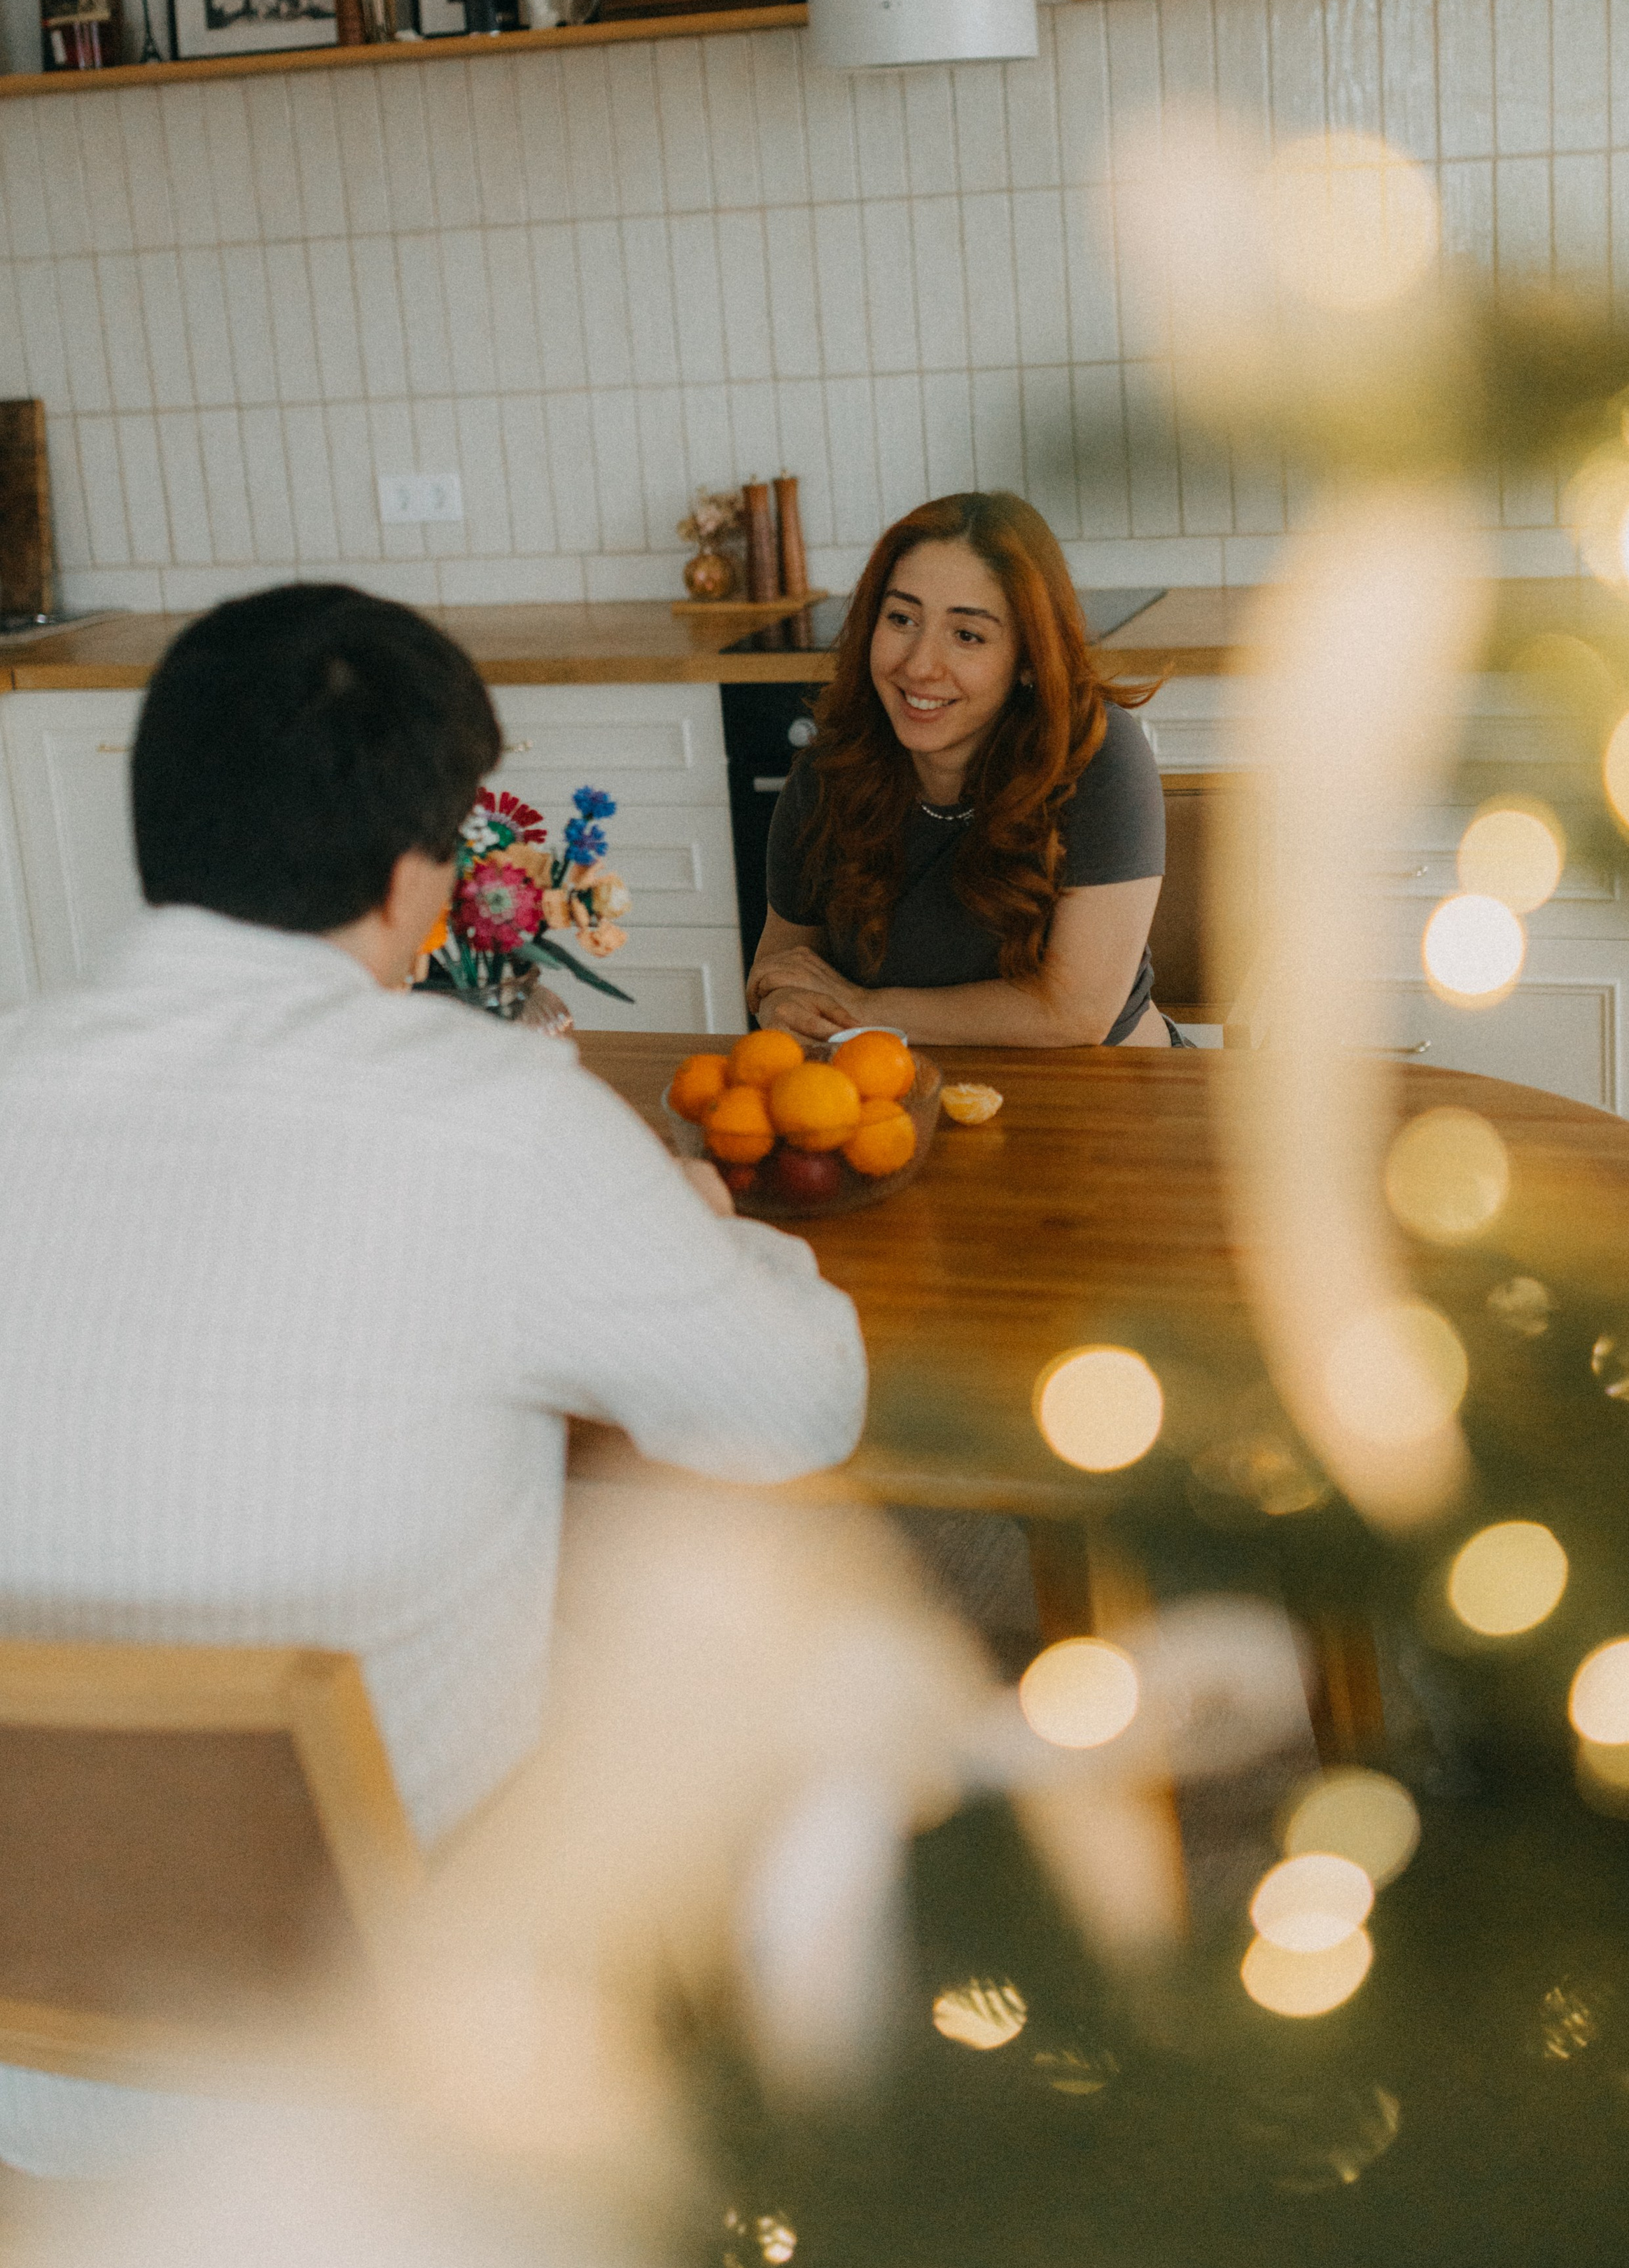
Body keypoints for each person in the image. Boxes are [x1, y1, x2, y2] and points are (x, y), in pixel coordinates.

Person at [0, 582, 867, 2176]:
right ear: (418, 879)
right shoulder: (499, 1118)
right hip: (401, 2057)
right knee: (737, 1607)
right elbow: (795, 1406)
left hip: (28, 2076)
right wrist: (709, 1230)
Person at [748, 491, 1171, 1049]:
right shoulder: (830, 771)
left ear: (1027, 658)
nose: (919, 665)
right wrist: (780, 999)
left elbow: (1077, 1011)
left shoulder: (1097, 753)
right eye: (901, 618)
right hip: (904, 1102)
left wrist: (864, 1007)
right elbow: (777, 965)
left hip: (1104, 1099)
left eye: (967, 634)